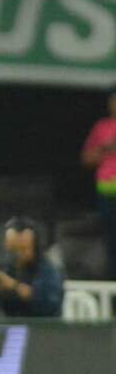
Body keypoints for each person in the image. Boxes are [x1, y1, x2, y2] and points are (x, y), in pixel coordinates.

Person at [0, 217, 63, 317]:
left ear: (35, 246)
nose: (18, 254)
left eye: (23, 249)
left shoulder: (48, 269)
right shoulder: (11, 267)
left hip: (43, 327)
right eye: (13, 250)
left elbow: (46, 303)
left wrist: (13, 286)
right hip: (16, 326)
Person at [81, 86, 116, 278]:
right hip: (107, 194)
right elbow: (86, 159)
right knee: (112, 242)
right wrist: (106, 148)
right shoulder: (102, 127)